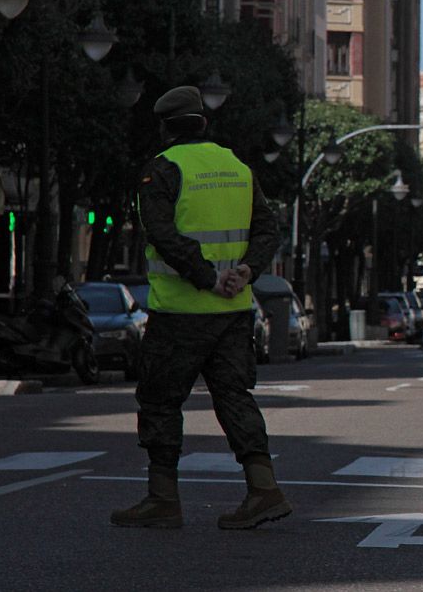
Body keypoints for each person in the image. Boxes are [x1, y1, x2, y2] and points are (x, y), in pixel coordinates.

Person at [111, 86, 290, 530]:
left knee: (160, 400)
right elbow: (268, 229)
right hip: (233, 313)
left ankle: (162, 497)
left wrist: (208, 277)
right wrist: (245, 271)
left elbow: (162, 235)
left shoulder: (162, 170)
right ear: (204, 124)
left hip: (181, 313)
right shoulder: (239, 169)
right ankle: (263, 489)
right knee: (234, 396)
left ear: (165, 128)